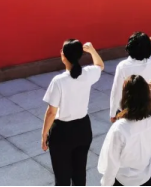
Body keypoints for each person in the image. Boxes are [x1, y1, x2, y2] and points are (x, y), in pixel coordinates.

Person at [42, 40, 105, 187]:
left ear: (63, 56)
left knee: (62, 177)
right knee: (79, 173)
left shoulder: (58, 81)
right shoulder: (88, 73)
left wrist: (44, 134)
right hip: (83, 128)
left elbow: (51, 112)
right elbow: (100, 66)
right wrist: (92, 50)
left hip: (62, 132)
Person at [98, 76, 151, 186]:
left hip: (123, 181)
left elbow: (112, 163)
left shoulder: (120, 128)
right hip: (145, 178)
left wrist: (106, 183)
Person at [109, 33, 151, 122]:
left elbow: (116, 91)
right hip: (145, 106)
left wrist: (113, 113)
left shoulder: (122, 66)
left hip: (127, 107)